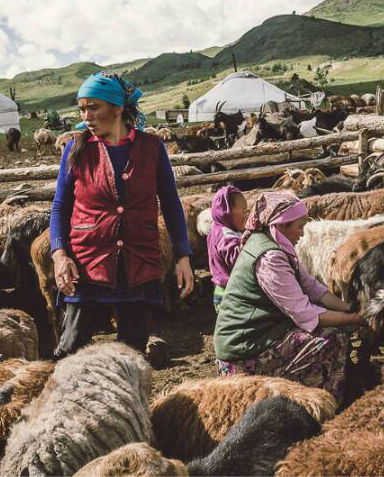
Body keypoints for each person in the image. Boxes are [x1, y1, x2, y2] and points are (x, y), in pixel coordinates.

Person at [49, 71, 194, 359]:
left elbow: (171, 204)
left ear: (117, 108)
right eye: (82, 109)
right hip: (88, 263)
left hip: (139, 261)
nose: (86, 116)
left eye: (94, 107)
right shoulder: (76, 148)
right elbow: (60, 206)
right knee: (70, 349)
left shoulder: (152, 149)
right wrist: (59, 255)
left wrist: (183, 256)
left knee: (132, 353)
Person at [213, 192, 361, 404]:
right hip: (244, 349)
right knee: (332, 339)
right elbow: (306, 314)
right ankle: (319, 402)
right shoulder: (270, 257)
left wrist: (347, 308)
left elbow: (311, 287)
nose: (303, 233)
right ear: (280, 226)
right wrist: (357, 318)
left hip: (261, 331)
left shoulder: (271, 242)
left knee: (338, 327)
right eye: (299, 226)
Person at [207, 184, 247, 311]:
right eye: (244, 211)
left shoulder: (217, 229)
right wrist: (248, 240)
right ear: (228, 212)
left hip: (222, 287)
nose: (246, 215)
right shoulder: (226, 235)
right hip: (229, 291)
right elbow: (237, 259)